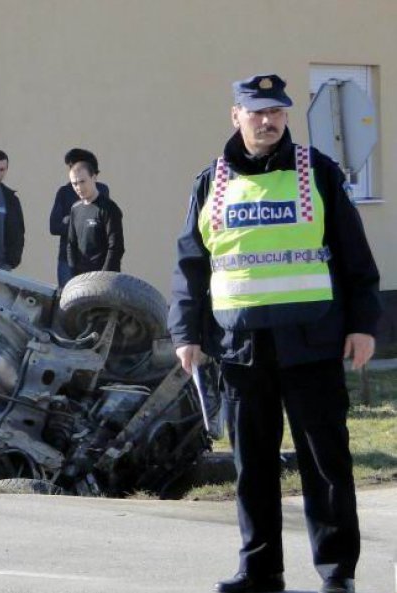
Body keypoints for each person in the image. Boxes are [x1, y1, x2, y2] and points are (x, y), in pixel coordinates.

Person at [168, 74, 380, 593]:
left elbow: (355, 256)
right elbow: (192, 265)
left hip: (312, 342)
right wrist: (185, 332)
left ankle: (337, 573)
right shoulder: (210, 182)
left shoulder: (318, 173)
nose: (268, 121)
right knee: (252, 465)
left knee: (326, 463)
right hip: (241, 347)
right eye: (257, 111)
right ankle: (260, 569)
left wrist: (363, 325)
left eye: (277, 112)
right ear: (235, 115)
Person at [49, 148, 112, 285]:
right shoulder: (64, 192)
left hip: (94, 260)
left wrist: (70, 220)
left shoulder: (101, 190)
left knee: (93, 301)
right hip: (67, 260)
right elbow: (54, 227)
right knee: (66, 301)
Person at [64, 151, 123, 275]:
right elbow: (71, 244)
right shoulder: (75, 209)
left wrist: (103, 276)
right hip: (81, 280)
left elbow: (116, 247)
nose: (79, 187)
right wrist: (74, 273)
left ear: (94, 177)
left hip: (105, 280)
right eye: (74, 184)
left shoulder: (108, 208)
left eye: (82, 181)